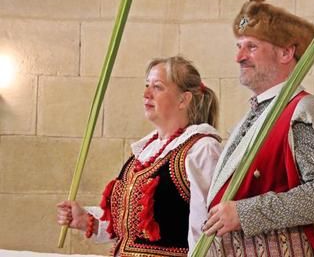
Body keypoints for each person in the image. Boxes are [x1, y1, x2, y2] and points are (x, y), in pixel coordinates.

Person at [202, 0, 314, 257]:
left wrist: (245, 213)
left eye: (251, 46)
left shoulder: (303, 113)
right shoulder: (256, 114)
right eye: (238, 46)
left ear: (286, 53)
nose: (238, 57)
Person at [57, 56, 222, 257]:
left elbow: (207, 231)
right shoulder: (145, 151)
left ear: (183, 99)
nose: (146, 94)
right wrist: (86, 218)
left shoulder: (201, 149)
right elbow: (131, 228)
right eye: (147, 86)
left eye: (158, 87)